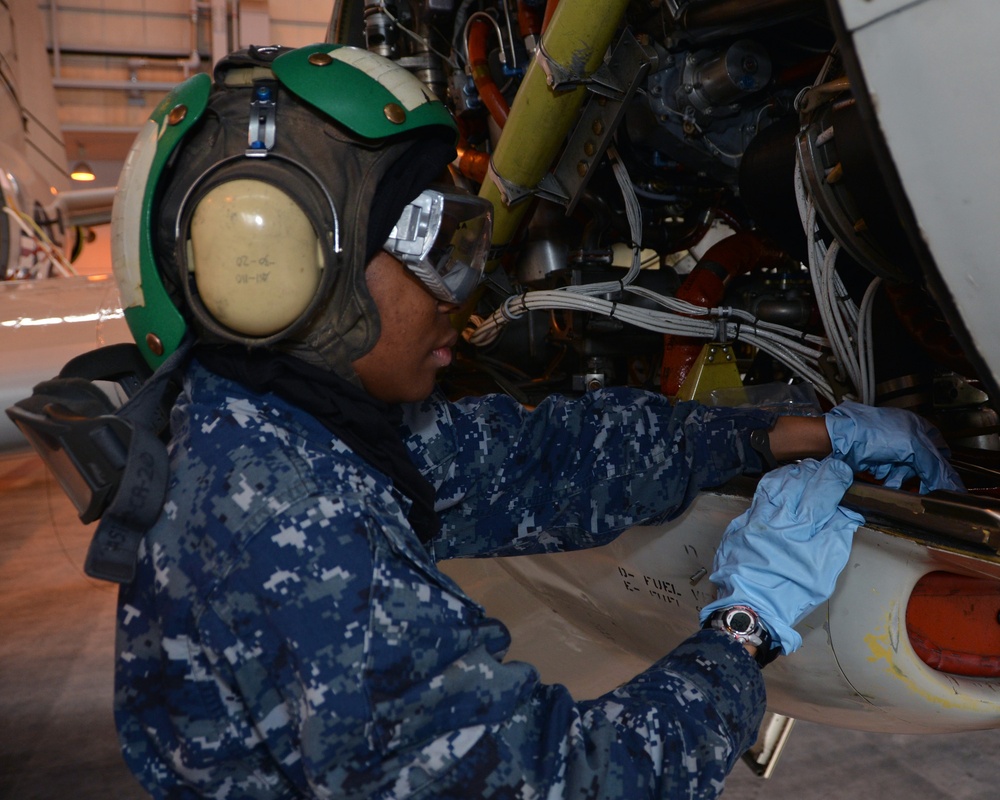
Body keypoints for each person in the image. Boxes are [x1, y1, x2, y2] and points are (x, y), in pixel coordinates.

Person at [106, 43, 962, 799]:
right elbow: (567, 779)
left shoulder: (288, 425)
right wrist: (748, 627)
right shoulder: (278, 520)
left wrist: (792, 433)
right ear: (287, 275)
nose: (460, 289)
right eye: (422, 250)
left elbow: (537, 461)